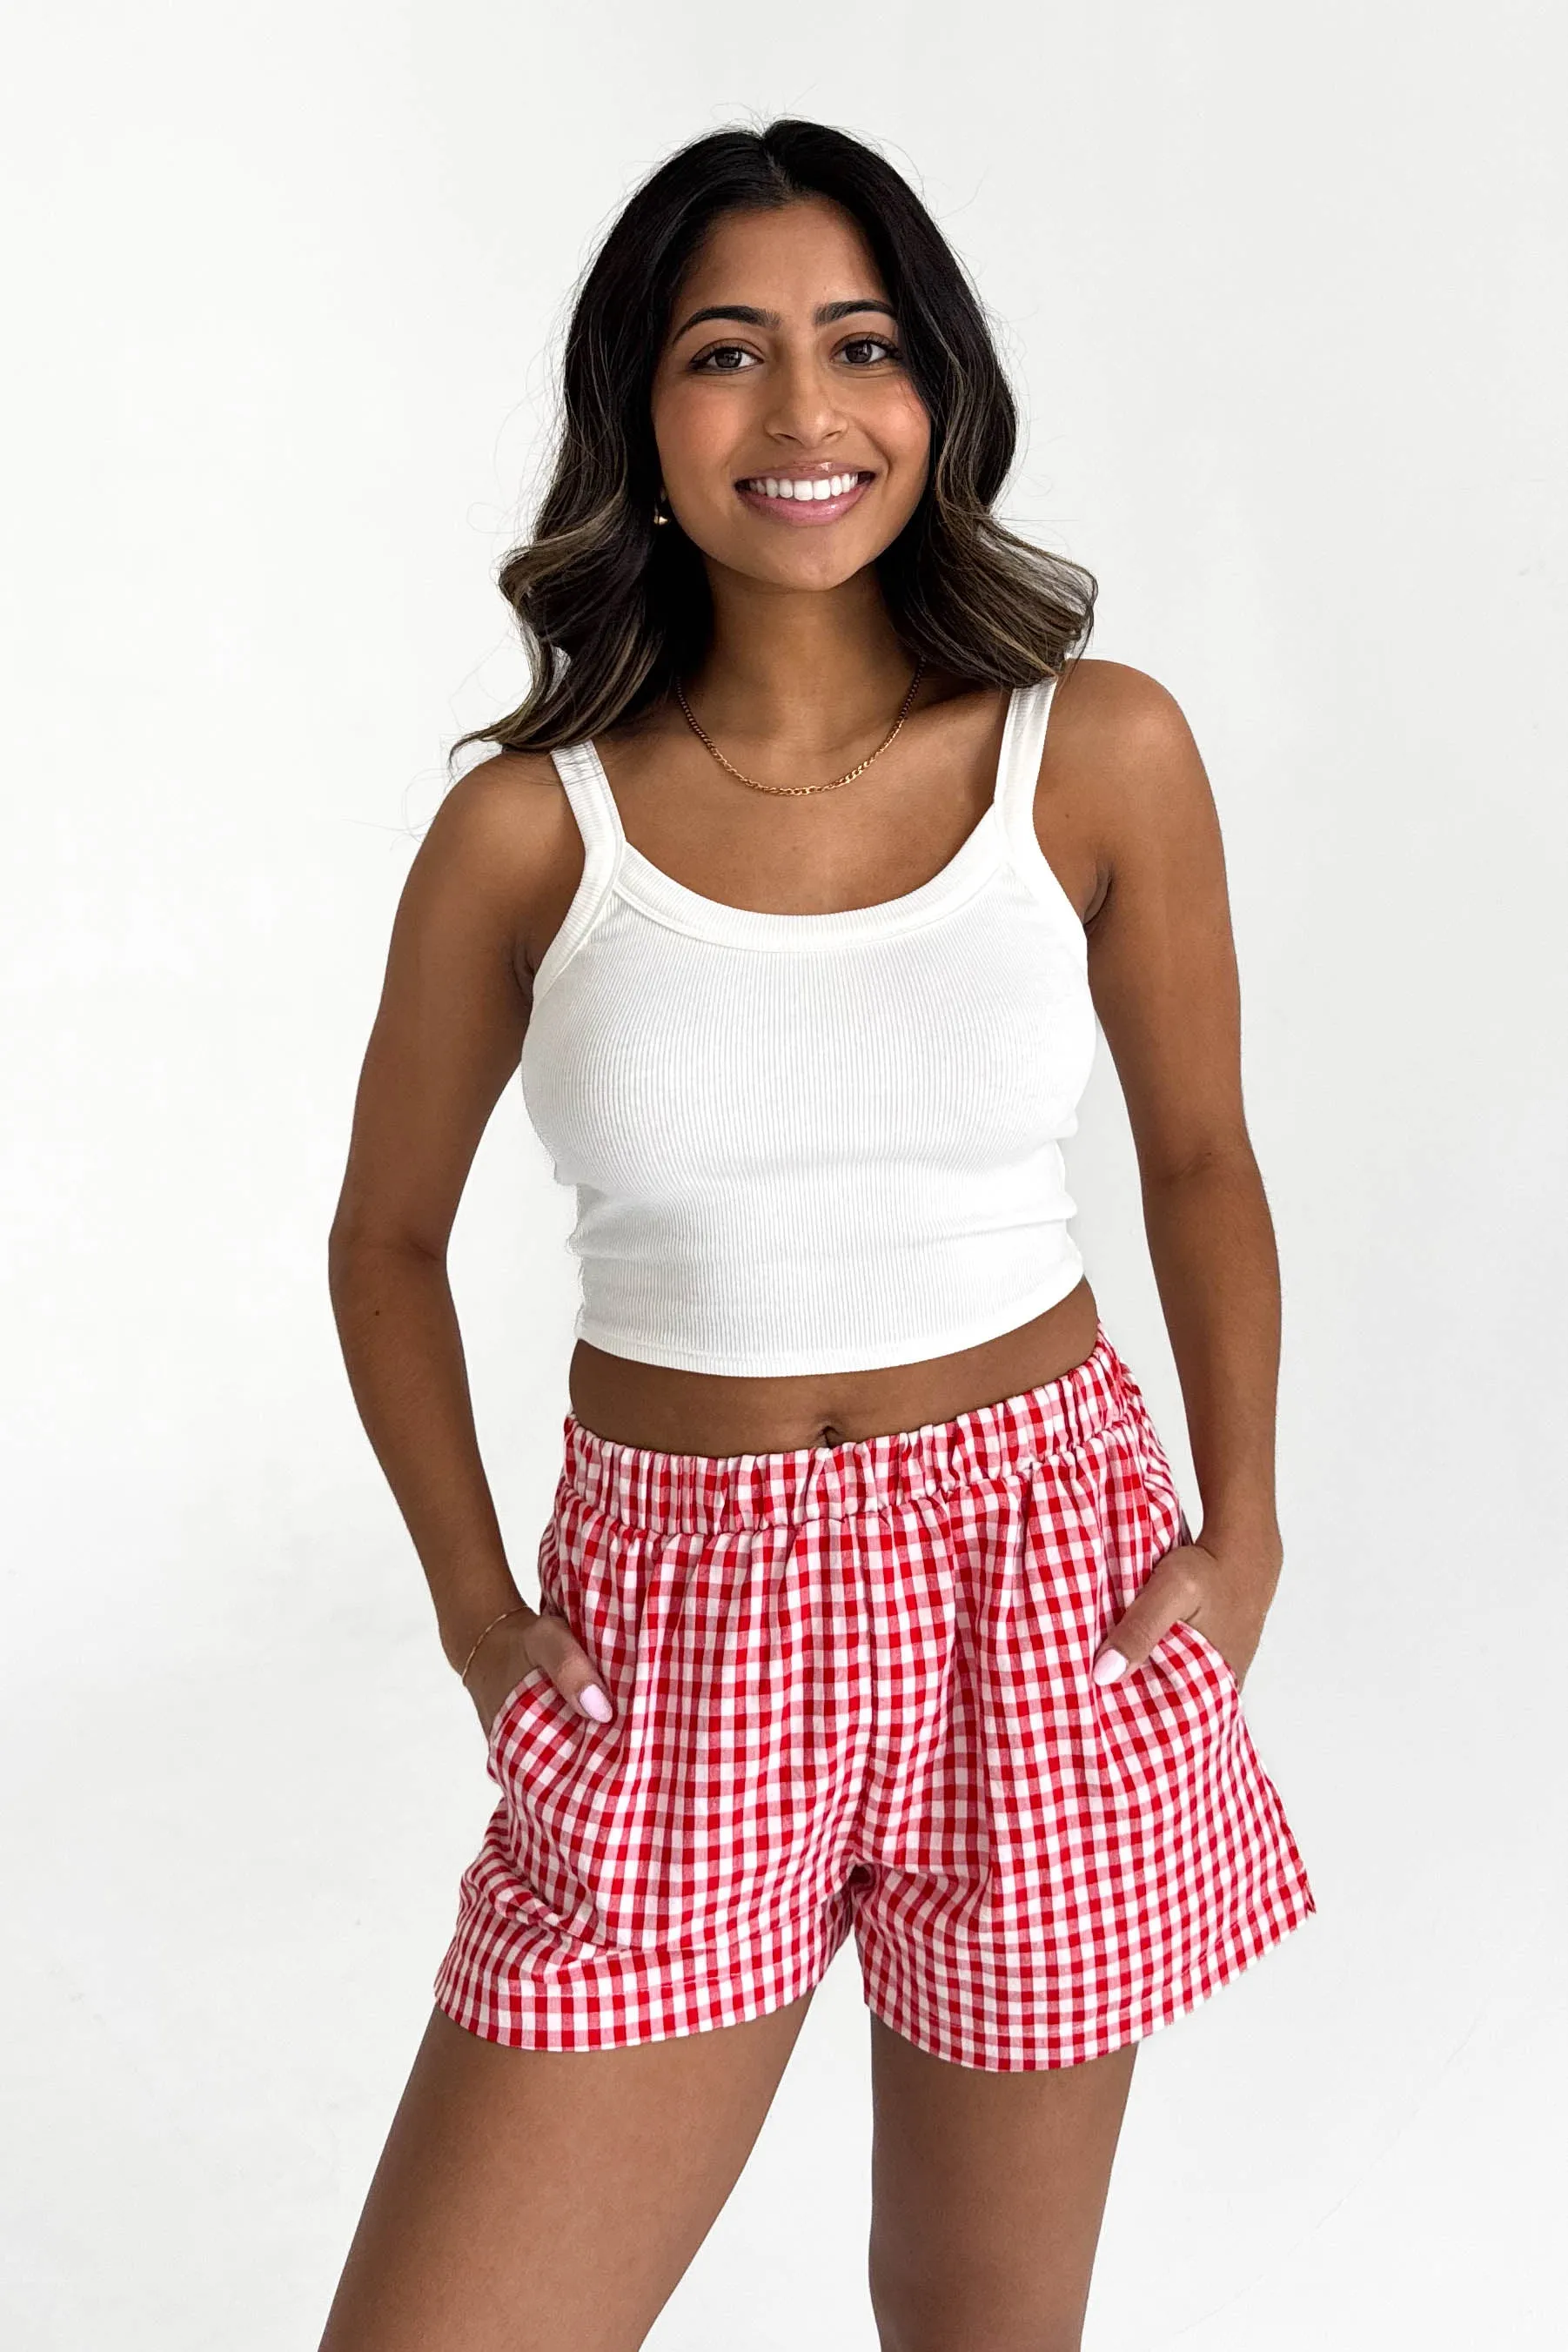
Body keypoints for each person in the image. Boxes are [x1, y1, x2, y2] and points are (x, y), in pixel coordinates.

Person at [318, 116, 1313, 2352]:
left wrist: (1239, 1535)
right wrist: (484, 1616)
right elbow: (381, 1243)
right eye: (723, 353)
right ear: (636, 417)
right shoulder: (523, 832)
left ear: (934, 391)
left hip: (1041, 1581)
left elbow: (1199, 1163)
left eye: (858, 346)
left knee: (979, 2324)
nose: (800, 414)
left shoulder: (1096, 750)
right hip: (682, 1614)